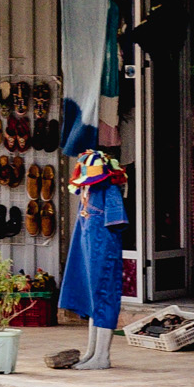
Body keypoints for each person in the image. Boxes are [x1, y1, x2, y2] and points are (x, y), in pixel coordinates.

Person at [49, 146, 131, 371]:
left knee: (103, 298)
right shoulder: (87, 190)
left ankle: (102, 355)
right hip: (87, 251)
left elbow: (115, 224)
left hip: (103, 252)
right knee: (93, 299)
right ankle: (91, 352)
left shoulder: (109, 190)